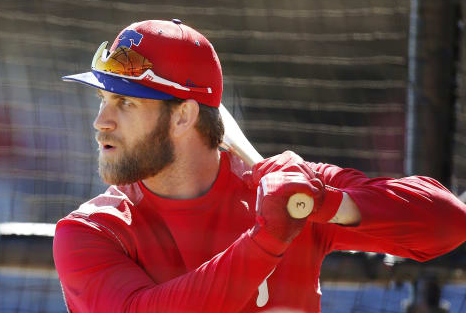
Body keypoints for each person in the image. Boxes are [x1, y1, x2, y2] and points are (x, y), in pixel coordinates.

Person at [53, 19, 466, 313]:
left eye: (125, 103)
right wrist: (268, 239)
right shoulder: (90, 230)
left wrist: (327, 203)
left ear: (183, 117)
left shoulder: (291, 188)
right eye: (103, 101)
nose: (101, 122)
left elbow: (448, 224)